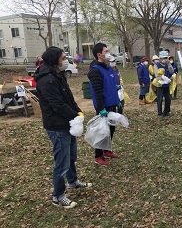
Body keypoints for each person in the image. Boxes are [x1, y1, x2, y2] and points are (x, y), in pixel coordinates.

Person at [35, 46, 92, 209]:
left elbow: (68, 97)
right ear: (54, 61)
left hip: (67, 123)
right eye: (62, 58)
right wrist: (74, 115)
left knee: (71, 156)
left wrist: (78, 111)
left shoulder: (58, 75)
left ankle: (72, 182)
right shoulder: (46, 79)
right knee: (61, 163)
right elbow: (57, 105)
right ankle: (58, 196)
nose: (65, 61)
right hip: (57, 126)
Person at [88, 43, 122, 166]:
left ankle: (107, 150)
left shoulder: (108, 68)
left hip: (112, 103)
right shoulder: (96, 70)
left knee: (111, 129)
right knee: (102, 131)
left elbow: (112, 86)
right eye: (106, 51)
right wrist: (101, 108)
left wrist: (117, 100)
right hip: (104, 106)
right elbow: (97, 91)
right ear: (99, 55)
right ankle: (98, 155)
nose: (108, 53)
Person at [155, 50, 174, 117]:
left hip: (167, 85)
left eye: (166, 58)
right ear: (160, 58)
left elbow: (171, 72)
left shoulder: (167, 64)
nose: (165, 59)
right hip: (160, 85)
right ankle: (160, 113)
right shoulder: (156, 65)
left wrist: (169, 65)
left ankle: (167, 111)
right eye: (163, 58)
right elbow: (157, 75)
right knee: (160, 99)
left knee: (168, 99)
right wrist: (164, 79)